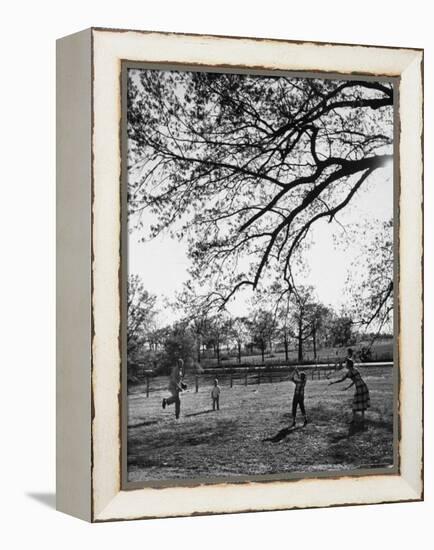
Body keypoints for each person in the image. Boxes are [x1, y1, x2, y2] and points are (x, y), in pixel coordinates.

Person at [329, 348, 370, 424]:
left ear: (348, 365)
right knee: (362, 403)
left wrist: (333, 382)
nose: (345, 365)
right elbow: (356, 380)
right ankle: (362, 419)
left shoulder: (349, 373)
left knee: (355, 404)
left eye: (346, 364)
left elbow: (341, 380)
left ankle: (354, 420)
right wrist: (348, 387)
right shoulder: (355, 370)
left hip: (359, 388)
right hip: (364, 386)